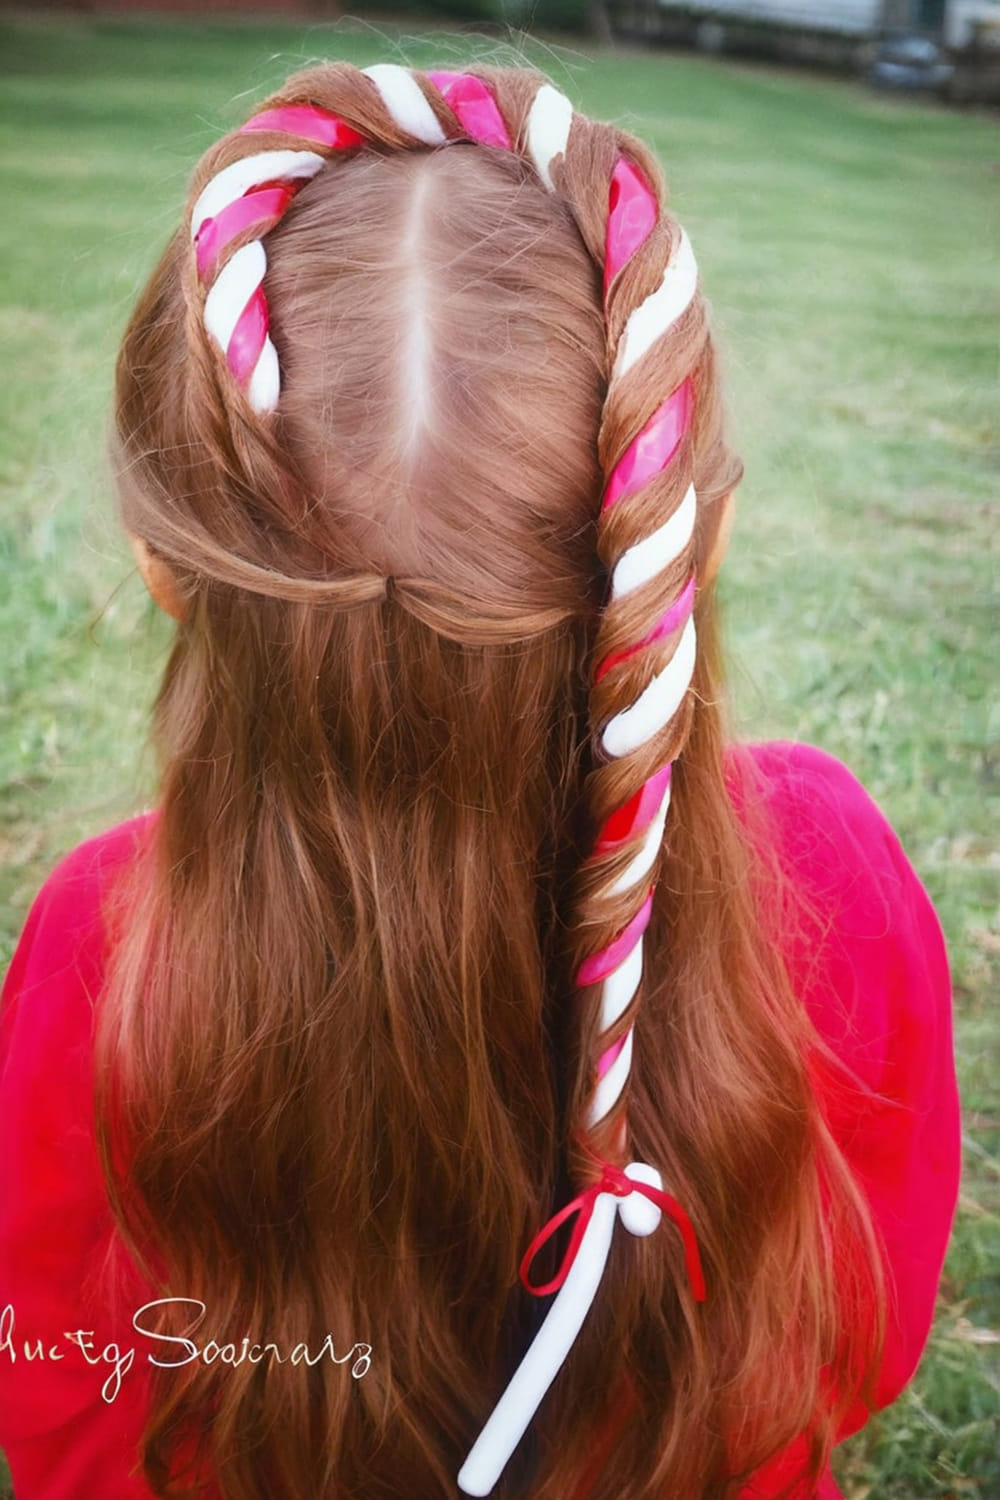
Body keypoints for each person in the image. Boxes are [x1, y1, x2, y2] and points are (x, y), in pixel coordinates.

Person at [0, 59, 960, 1500]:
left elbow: (59, 1407)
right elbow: (858, 1340)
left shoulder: (104, 949)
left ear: (163, 568)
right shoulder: (825, 874)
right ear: (693, 548)